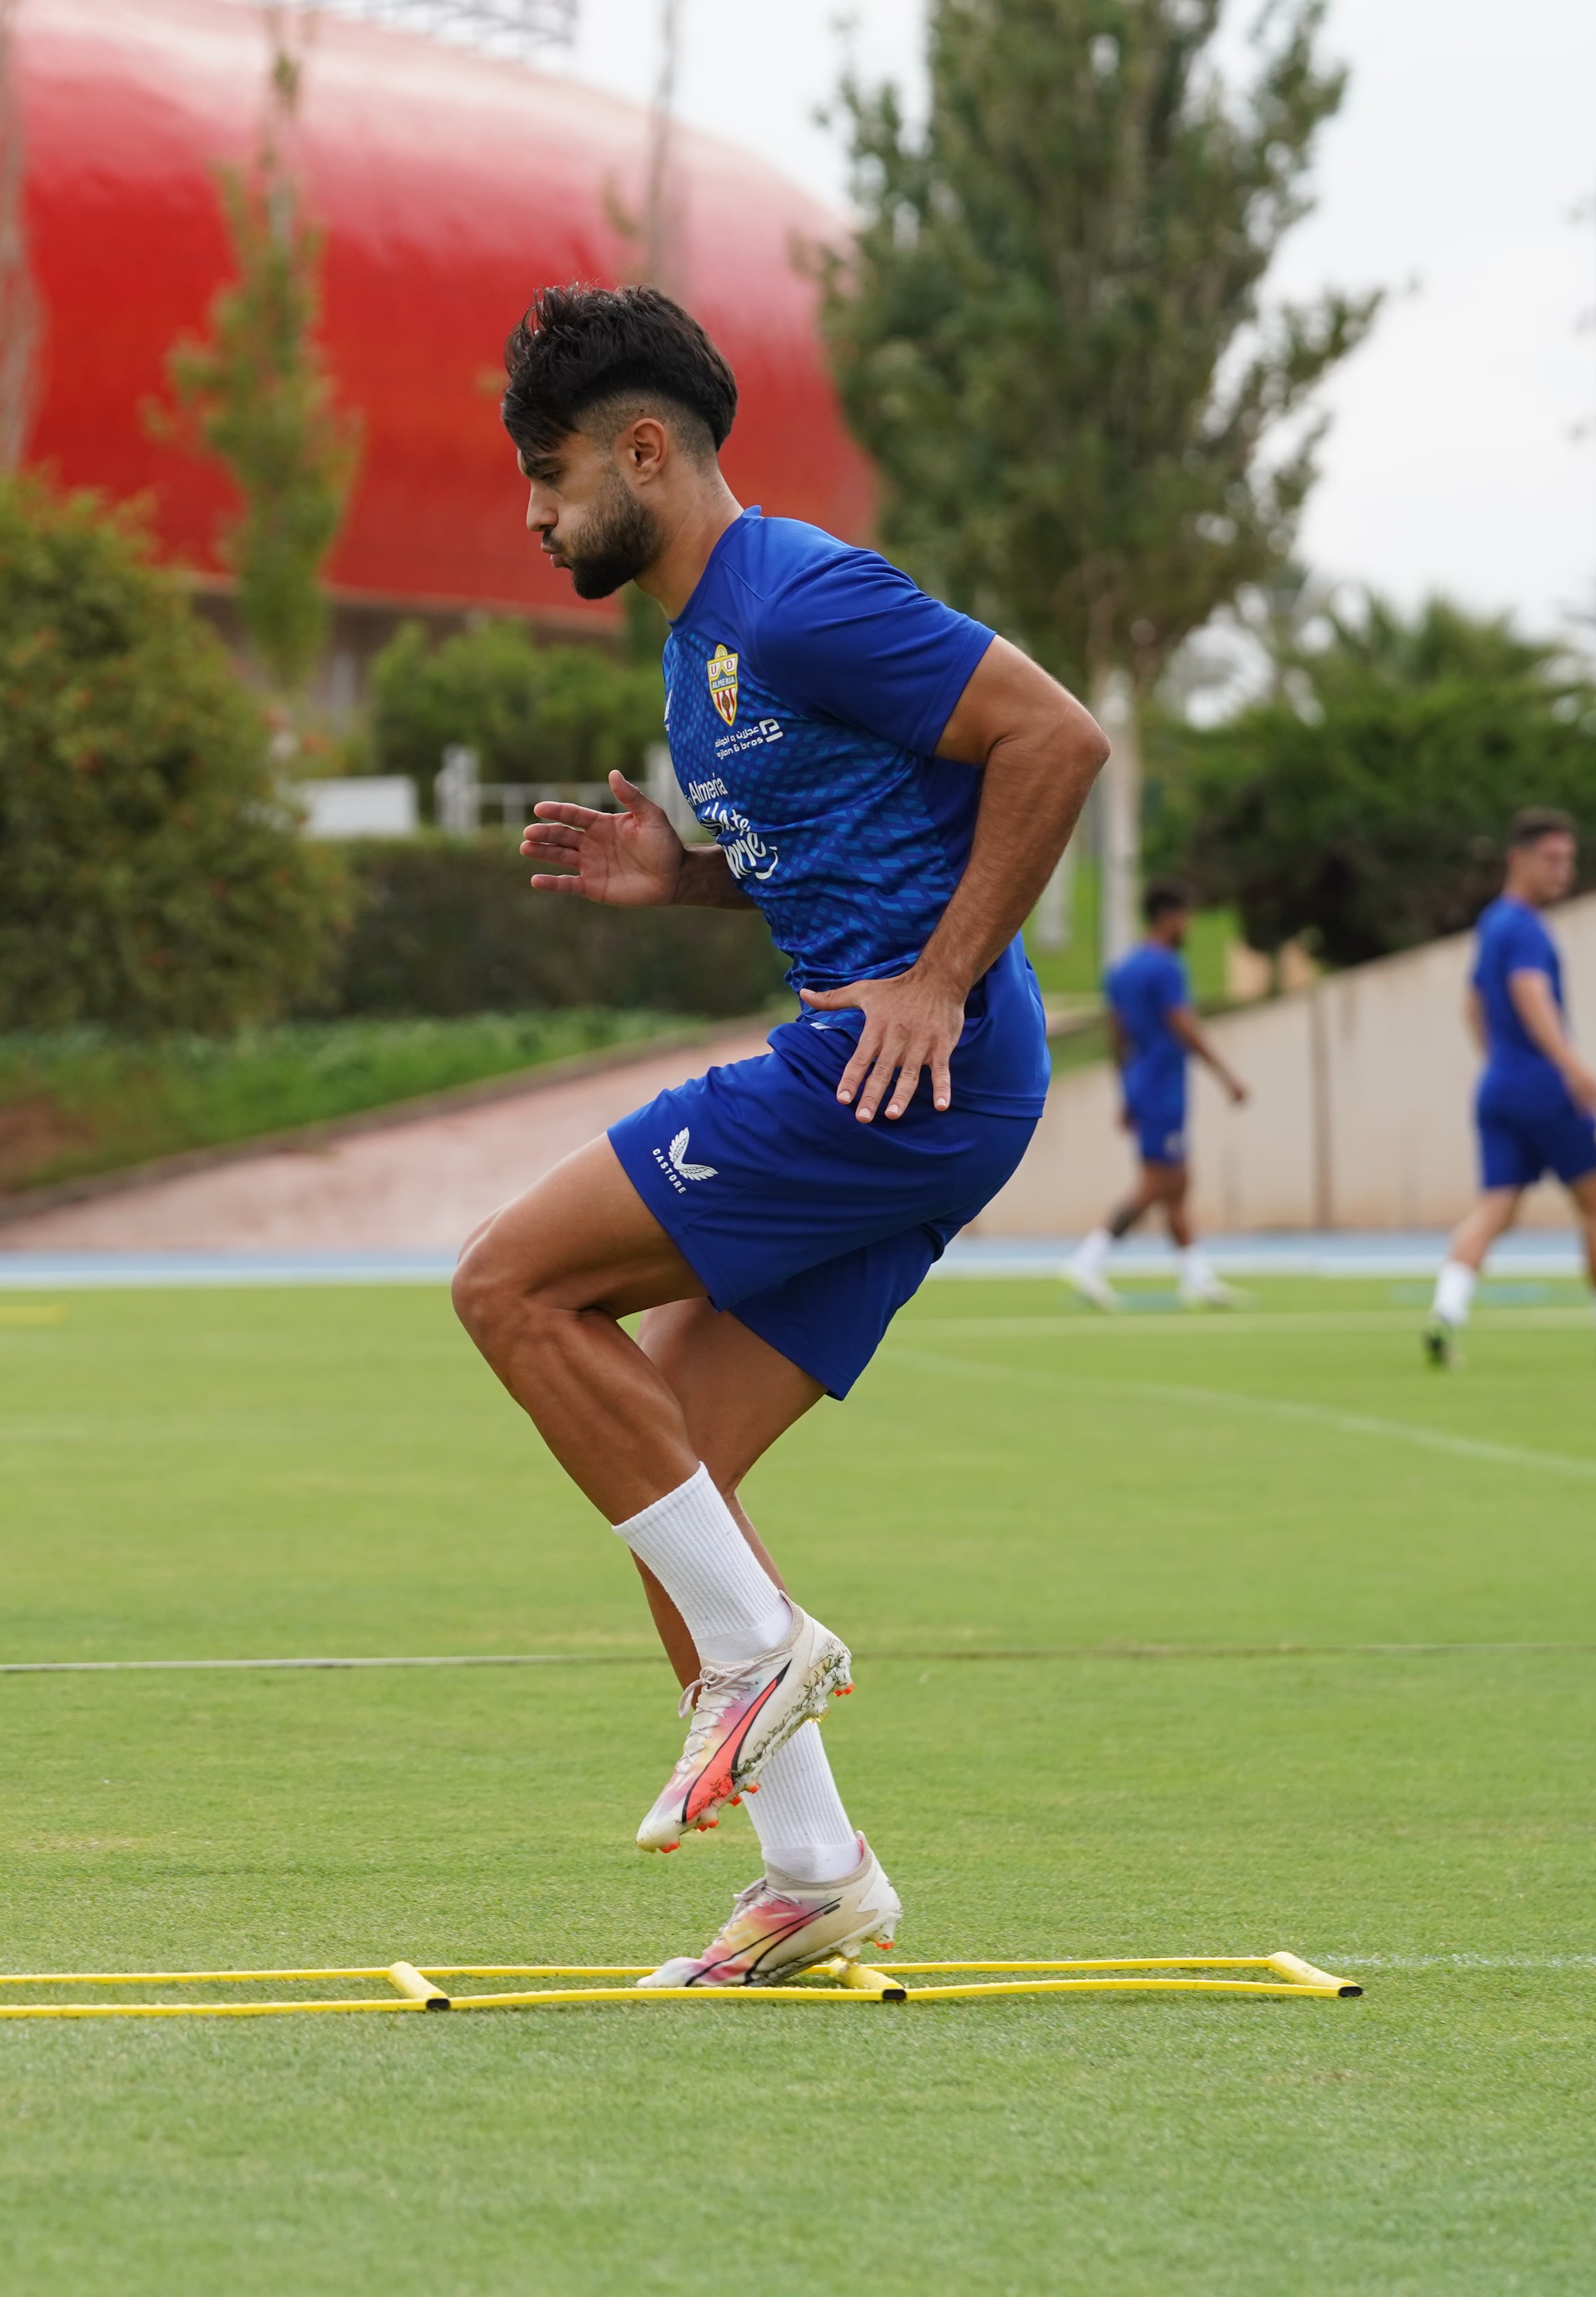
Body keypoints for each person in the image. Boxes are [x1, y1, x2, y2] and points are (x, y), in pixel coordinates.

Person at [450, 286, 1105, 1988]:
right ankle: (817, 1870)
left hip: (900, 1075)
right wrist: (682, 876)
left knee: (509, 1288)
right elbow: (850, 840)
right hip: (917, 1086)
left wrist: (941, 982)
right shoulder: (696, 652)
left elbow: (1056, 737)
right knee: (669, 1454)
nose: (531, 511)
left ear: (644, 452)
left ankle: (756, 1659)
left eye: (549, 471)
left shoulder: (798, 596)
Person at [1423, 808, 1596, 1369]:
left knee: (1496, 1207)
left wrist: (1500, 1062)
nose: (1562, 871)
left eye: (1568, 860)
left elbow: (1473, 1003)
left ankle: (1447, 1311)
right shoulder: (1524, 928)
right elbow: (1528, 993)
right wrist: (1572, 1066)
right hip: (1545, 1088)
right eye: (1551, 859)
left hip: (1498, 1087)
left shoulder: (1492, 923)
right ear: (1518, 860)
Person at [1065, 882, 1249, 1311]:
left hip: (1142, 1083)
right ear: (1169, 917)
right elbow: (1182, 1025)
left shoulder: (1121, 971)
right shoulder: (1165, 968)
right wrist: (1226, 1076)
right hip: (1164, 1087)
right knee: (1158, 1182)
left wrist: (1125, 1093)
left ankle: (1196, 1277)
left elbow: (1116, 1039)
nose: (1188, 926)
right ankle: (1089, 1259)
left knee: (1179, 1182)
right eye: (1185, 917)